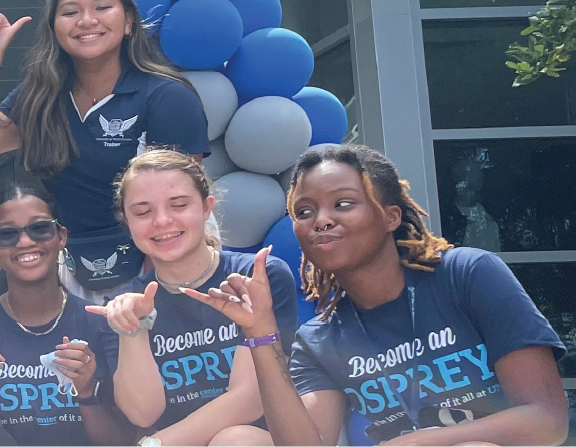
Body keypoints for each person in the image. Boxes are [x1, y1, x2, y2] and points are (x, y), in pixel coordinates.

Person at [184, 145, 569, 447]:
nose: (321, 219)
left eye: (343, 203)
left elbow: (546, 422)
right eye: (304, 211)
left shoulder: (466, 275)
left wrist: (418, 441)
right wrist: (260, 333)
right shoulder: (320, 338)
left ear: (391, 217)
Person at [0, 0, 208, 305]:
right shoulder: (42, 96)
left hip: (164, 262)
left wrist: (143, 294)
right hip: (73, 270)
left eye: (102, 8)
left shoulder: (165, 96)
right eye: (70, 12)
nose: (87, 20)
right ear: (55, 28)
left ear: (129, 21)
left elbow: (178, 208)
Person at [86, 149, 298, 447]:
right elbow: (143, 414)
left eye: (179, 205)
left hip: (256, 439)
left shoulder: (257, 277)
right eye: (143, 211)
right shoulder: (123, 303)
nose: (162, 220)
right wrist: (133, 330)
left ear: (206, 207)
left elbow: (251, 400)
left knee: (234, 441)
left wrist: (154, 446)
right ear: (127, 221)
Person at [0, 184, 129, 446]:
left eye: (40, 229)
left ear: (61, 236)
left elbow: (123, 441)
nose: (25, 242)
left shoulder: (101, 323)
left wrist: (86, 393)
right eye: (8, 234)